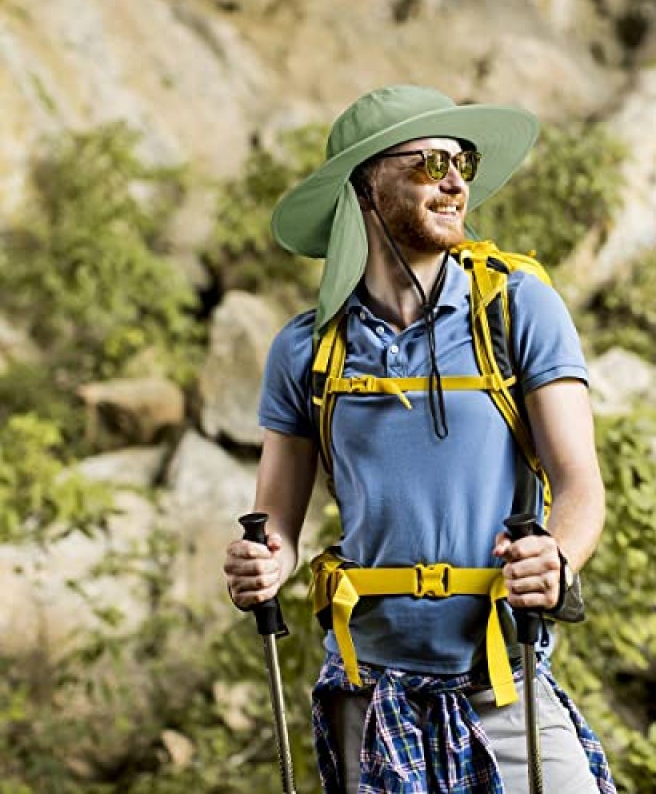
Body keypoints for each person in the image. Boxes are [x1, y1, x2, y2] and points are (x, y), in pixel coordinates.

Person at [224, 84, 615, 793]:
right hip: (368, 691)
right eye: (430, 162)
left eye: (461, 161)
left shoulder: (518, 308)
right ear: (365, 187)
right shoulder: (306, 351)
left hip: (501, 678)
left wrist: (557, 554)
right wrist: (265, 563)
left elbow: (580, 484)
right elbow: (278, 518)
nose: (457, 180)